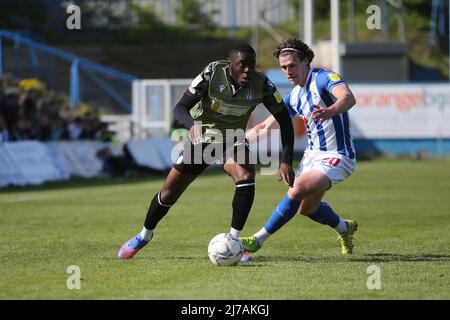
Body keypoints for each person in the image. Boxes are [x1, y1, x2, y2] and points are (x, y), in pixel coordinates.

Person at [118, 43, 295, 259]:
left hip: (233, 140)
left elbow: (285, 120)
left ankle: (234, 241)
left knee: (247, 177)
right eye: (242, 65)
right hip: (203, 140)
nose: (248, 70)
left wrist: (286, 160)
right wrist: (191, 125)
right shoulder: (211, 74)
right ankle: (144, 235)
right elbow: (179, 108)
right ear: (230, 65)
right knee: (168, 194)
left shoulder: (262, 85)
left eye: (252, 65)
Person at [240, 38, 358, 262]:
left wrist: (331, 110)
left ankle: (258, 240)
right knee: (307, 208)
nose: (287, 71)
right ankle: (345, 228)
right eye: (283, 67)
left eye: (292, 65)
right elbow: (266, 127)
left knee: (297, 189)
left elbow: (348, 97)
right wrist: (234, 142)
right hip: (312, 156)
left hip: (338, 155)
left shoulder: (324, 78)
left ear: (305, 61)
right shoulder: (293, 96)